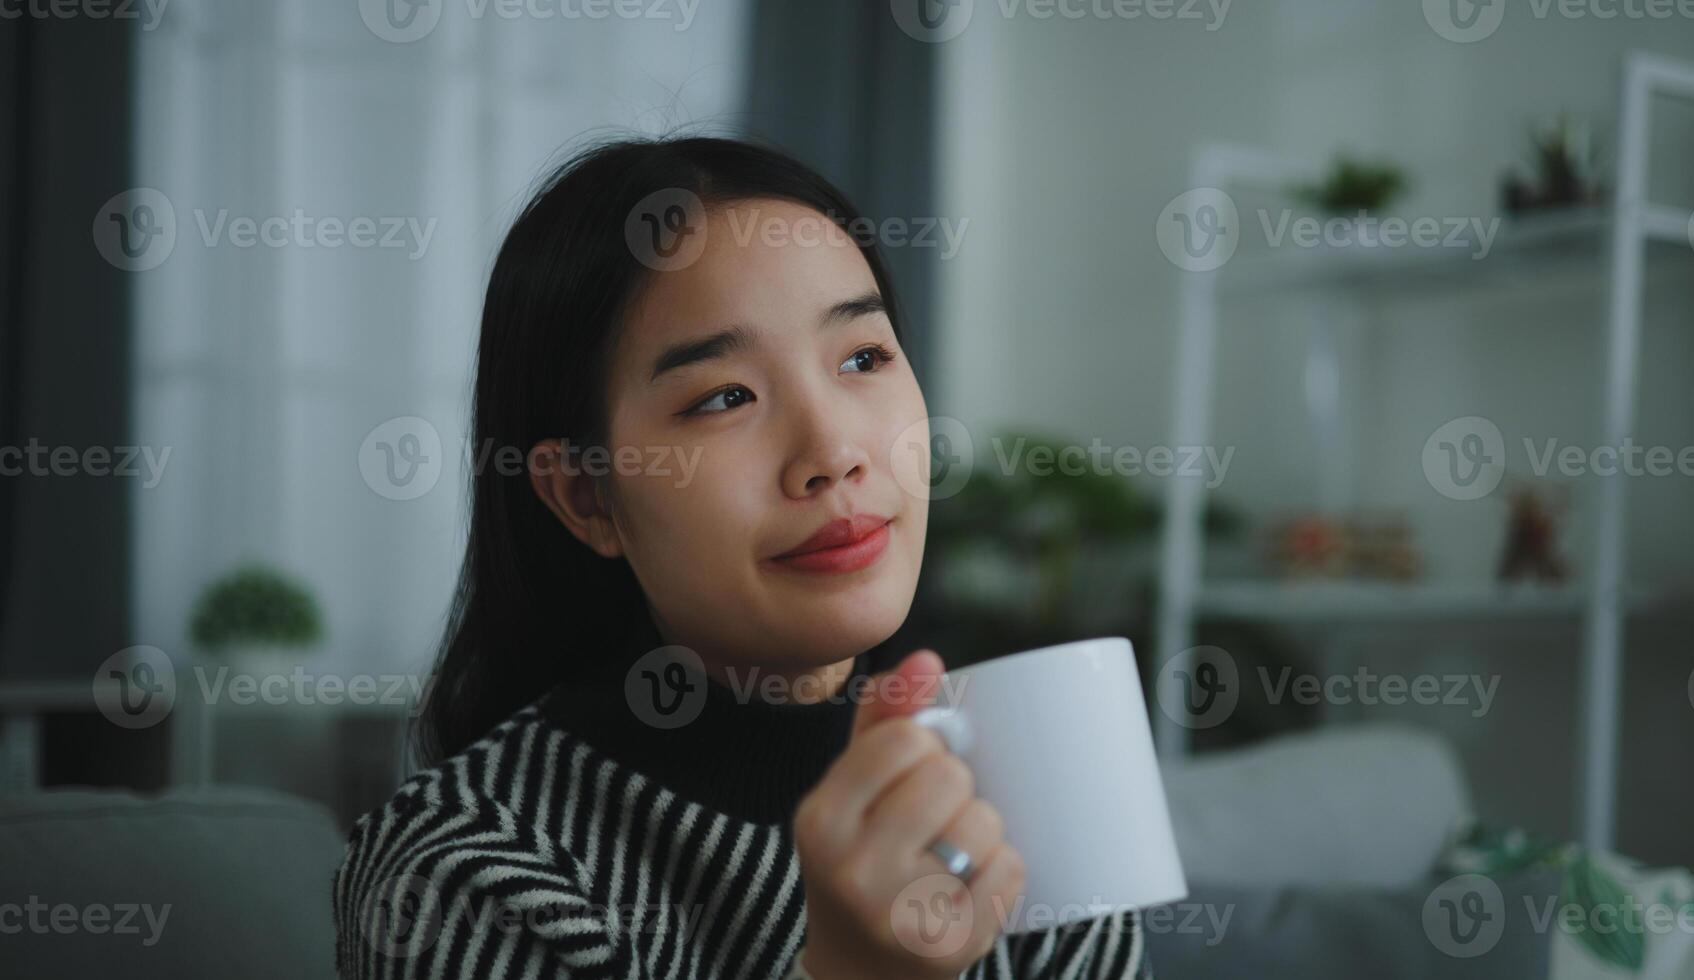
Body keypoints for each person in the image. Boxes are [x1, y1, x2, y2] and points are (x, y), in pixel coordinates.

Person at [331, 136, 1153, 979]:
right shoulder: (466, 871)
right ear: (587, 497)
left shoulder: (1018, 794)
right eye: (725, 397)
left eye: (864, 357)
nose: (832, 452)